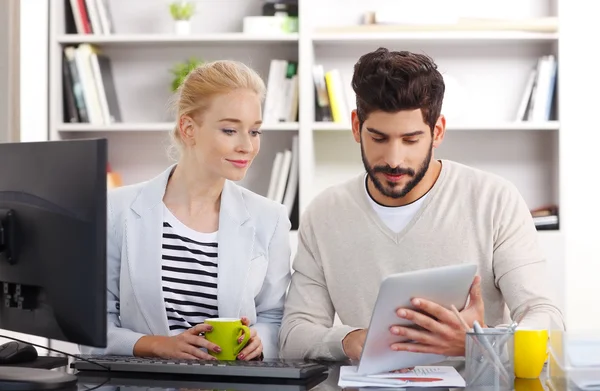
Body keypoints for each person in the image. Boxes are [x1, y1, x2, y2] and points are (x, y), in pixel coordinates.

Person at [279, 48, 564, 362]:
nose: (393, 159)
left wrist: (479, 343)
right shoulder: (325, 214)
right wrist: (348, 340)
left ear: (437, 131)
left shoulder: (494, 200)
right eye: (379, 137)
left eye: (411, 140)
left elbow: (546, 317)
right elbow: (294, 335)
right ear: (357, 126)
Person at [80, 60, 292, 361]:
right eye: (230, 130)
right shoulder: (116, 210)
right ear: (189, 127)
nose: (247, 146)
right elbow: (92, 330)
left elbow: (276, 318)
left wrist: (261, 342)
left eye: (255, 132)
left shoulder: (270, 219)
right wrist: (158, 345)